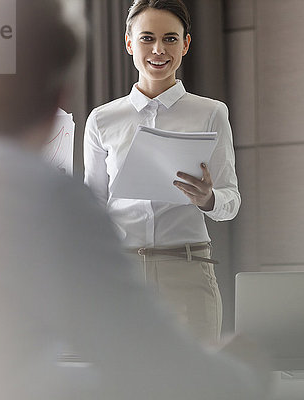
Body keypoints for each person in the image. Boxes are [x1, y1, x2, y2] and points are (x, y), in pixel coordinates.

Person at [0, 0, 268, 399]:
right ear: (60, 95)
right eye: (147, 38)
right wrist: (246, 372)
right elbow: (162, 372)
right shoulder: (45, 196)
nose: (158, 49)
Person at [84, 0, 240, 345]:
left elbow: (231, 201)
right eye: (147, 38)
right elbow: (93, 202)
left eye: (170, 39)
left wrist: (208, 198)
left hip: (187, 269)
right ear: (129, 43)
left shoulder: (211, 113)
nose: (158, 49)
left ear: (185, 44)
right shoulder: (102, 120)